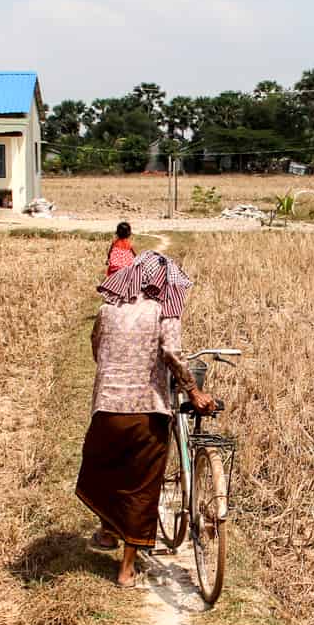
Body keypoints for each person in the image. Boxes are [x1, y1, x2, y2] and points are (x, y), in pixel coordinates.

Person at [76, 250, 214, 587]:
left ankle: (108, 532)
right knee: (141, 488)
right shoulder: (163, 313)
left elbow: (97, 351)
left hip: (107, 409)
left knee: (108, 474)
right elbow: (171, 354)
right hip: (146, 412)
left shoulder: (107, 310)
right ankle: (126, 570)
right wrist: (194, 392)